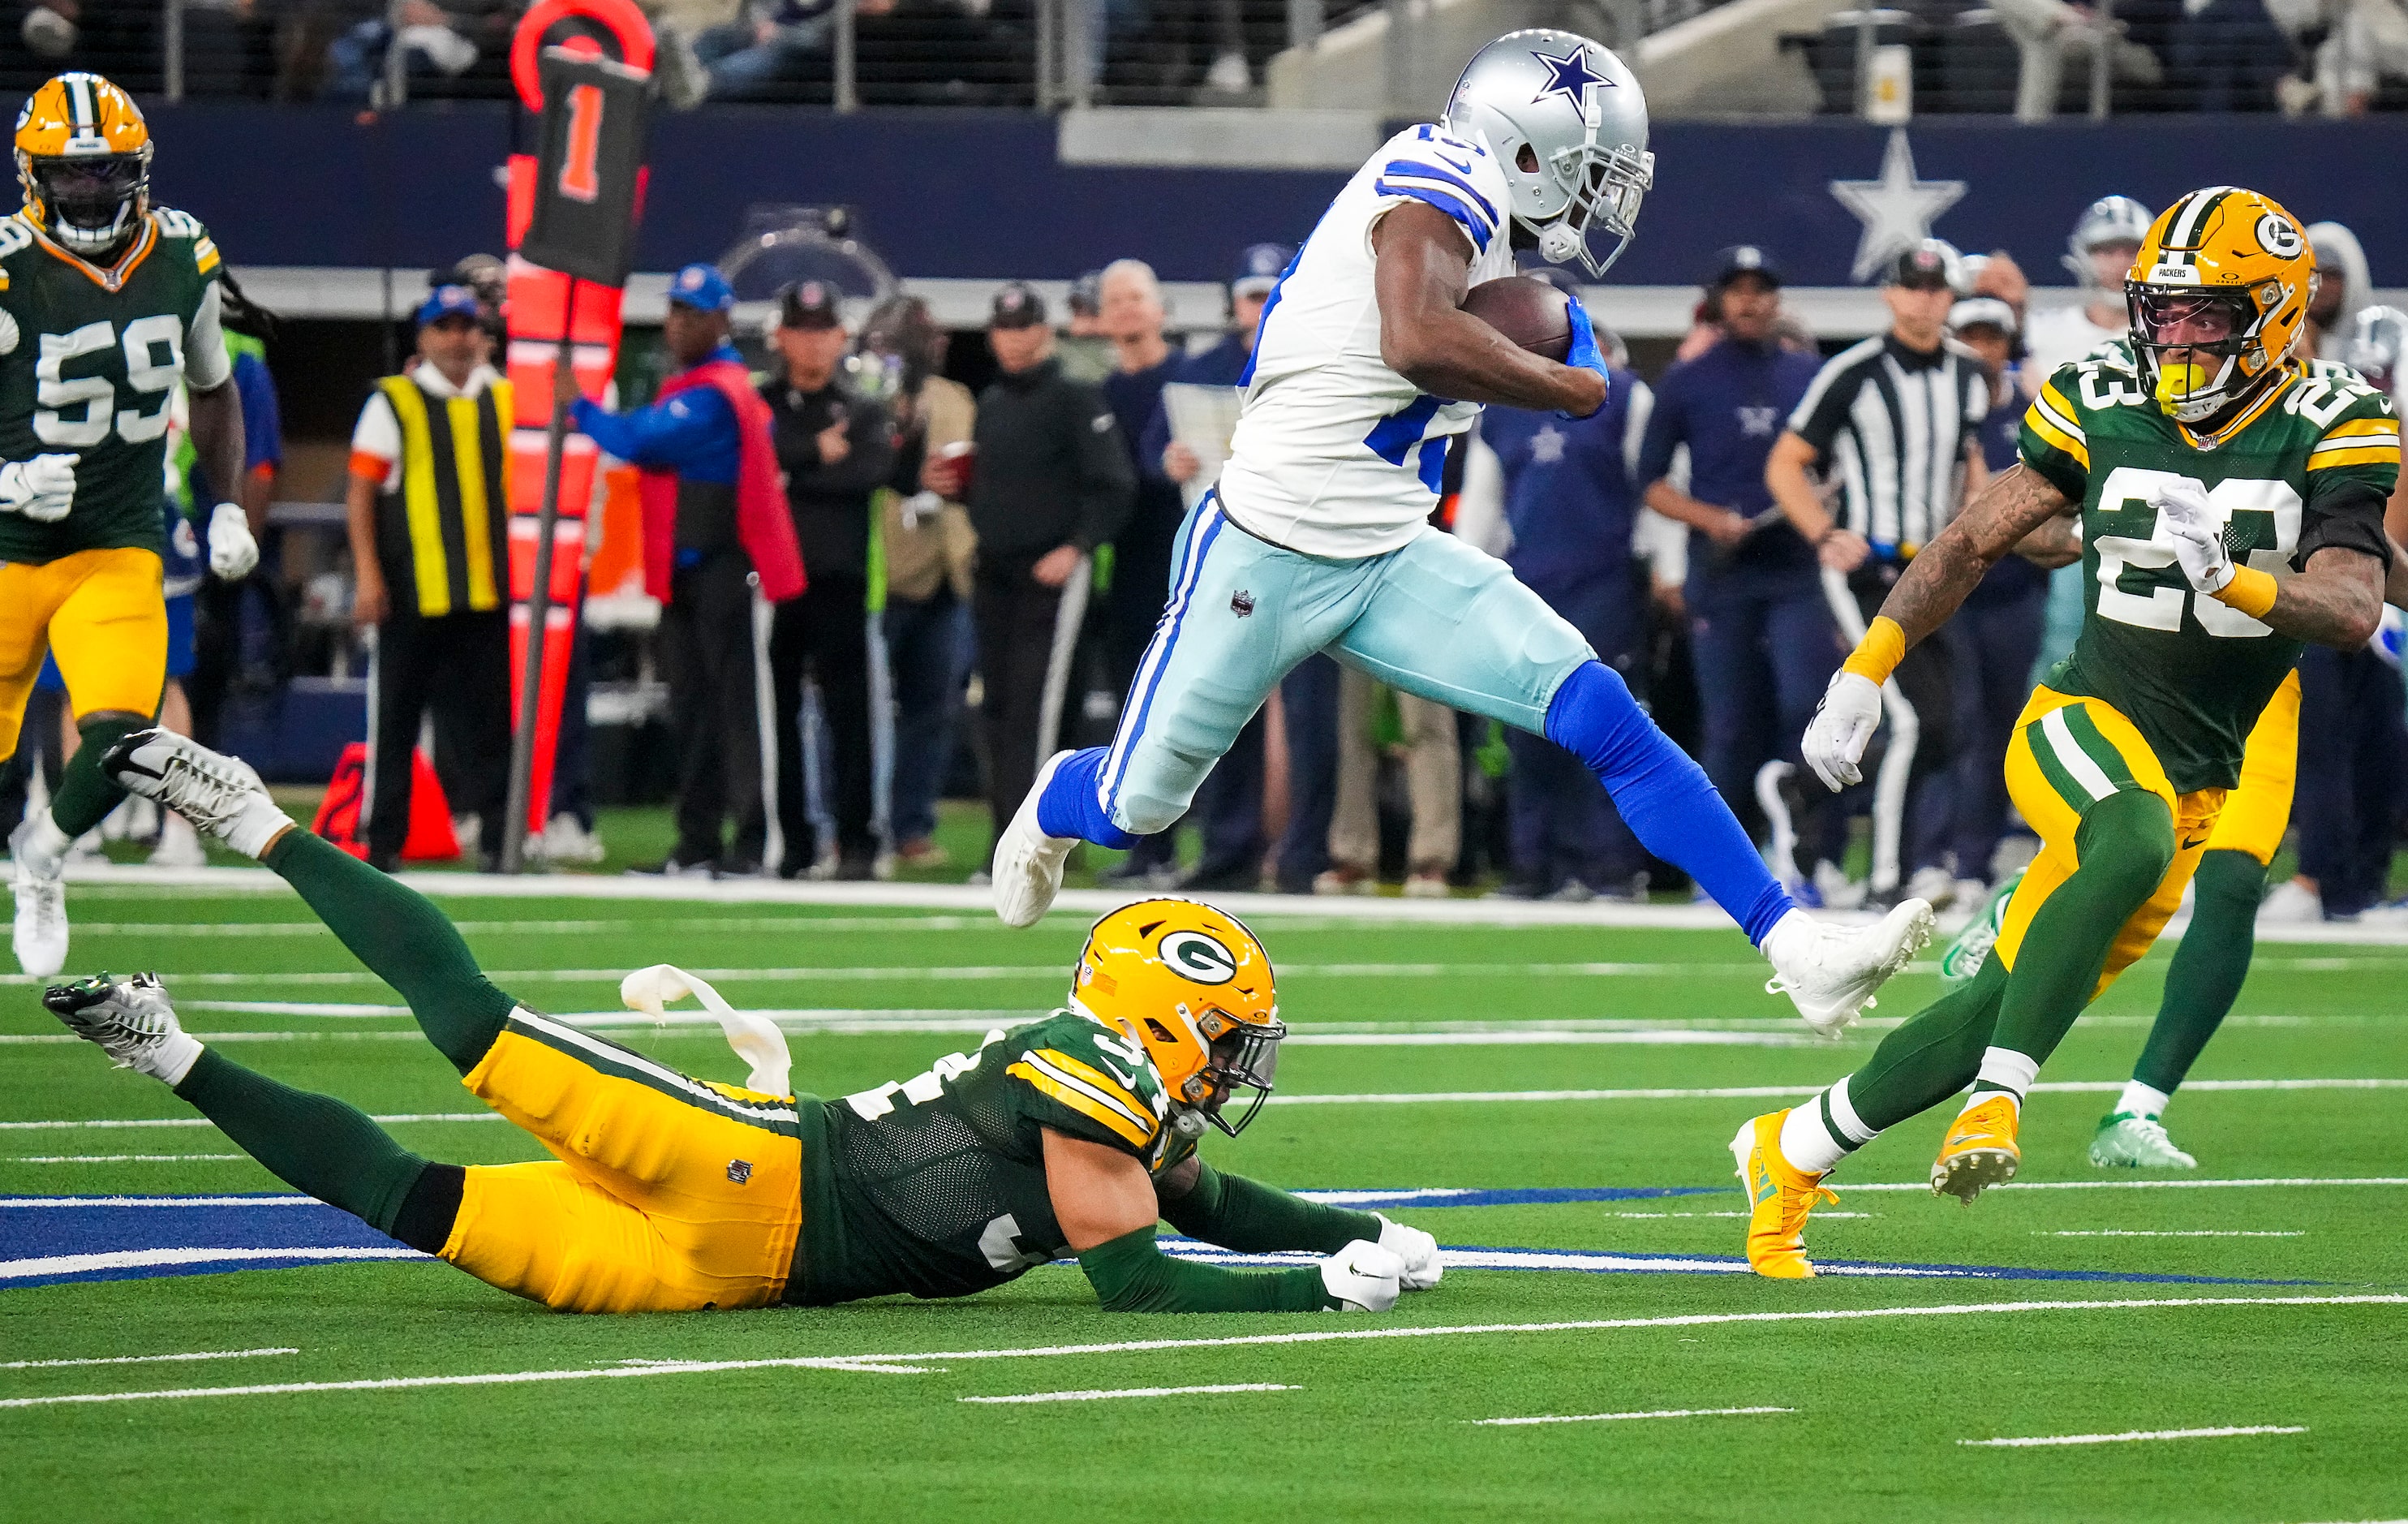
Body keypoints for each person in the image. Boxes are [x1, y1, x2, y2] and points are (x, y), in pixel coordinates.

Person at [995, 30, 1932, 1036]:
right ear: (1524, 146)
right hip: (1261, 550)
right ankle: (1059, 797)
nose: (1599, 196)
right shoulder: (1438, 173)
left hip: (1390, 554)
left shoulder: (1481, 230)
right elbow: (1416, 337)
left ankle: (1795, 947)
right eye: (1590, 169)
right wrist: (1571, 384)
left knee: (1604, 715)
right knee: (1139, 807)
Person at [61, 724, 1441, 1318]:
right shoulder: (1087, 1070)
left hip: (739, 1275)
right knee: (472, 1025)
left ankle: (161, 1046)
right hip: (746, 1165)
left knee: (414, 1200)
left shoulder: (1113, 1088)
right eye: (1227, 1033)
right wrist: (1317, 1289)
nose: (1235, 1064)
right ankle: (250, 812)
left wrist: (1356, 1232)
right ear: (1159, 1014)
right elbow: (1139, 1278)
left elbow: (1207, 1202)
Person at [1738, 187, 2397, 1276]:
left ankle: (1793, 1145)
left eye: (2205, 313)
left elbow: (2352, 603)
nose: (2176, 335)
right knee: (2123, 841)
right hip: (2083, 717)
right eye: (2164, 310)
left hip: (2202, 772)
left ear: (2276, 312)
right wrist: (1865, 670)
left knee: (2007, 991)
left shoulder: (2337, 415)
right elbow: (1976, 537)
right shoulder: (2098, 389)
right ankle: (2001, 1103)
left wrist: (2233, 576)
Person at [4, 73, 258, 975]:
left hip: (116, 534)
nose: (88, 192)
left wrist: (225, 501)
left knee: (119, 737)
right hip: (5, 549)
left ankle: (43, 855)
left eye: (105, 172)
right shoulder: (7, 266)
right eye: (68, 177)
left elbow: (213, 383)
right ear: (32, 176)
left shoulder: (182, 253)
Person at [559, 263, 804, 878]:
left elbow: (641, 440)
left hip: (730, 571)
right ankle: (697, 843)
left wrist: (580, 410)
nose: (677, 323)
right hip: (685, 575)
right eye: (673, 311)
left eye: (692, 313)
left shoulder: (717, 393)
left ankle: (759, 843)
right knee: (694, 714)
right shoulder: (693, 387)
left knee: (742, 716)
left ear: (721, 322)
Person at [1767, 240, 1991, 911]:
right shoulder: (1854, 372)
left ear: (1950, 296)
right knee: (1915, 722)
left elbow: (1967, 469)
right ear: (1890, 295)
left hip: (1933, 567)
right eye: (1912, 287)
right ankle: (1892, 877)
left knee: (1949, 723)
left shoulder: (1969, 376)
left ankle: (1797, 790)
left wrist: (1977, 534)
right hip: (1868, 566)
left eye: (1936, 288)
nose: (1925, 299)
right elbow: (1786, 462)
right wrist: (1825, 534)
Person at [1632, 245, 1839, 902]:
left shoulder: (1811, 373)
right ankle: (1725, 871)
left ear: (1777, 299)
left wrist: (1826, 507)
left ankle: (1809, 859)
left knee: (1809, 711)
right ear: (1719, 299)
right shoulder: (1688, 379)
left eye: (1761, 289)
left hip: (1798, 570)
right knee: (1728, 723)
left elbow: (1845, 462)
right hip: (1721, 573)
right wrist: (1709, 518)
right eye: (1738, 289)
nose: (1750, 301)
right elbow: (1651, 483)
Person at [1477, 299, 1653, 902]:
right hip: (1527, 583)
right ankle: (1535, 863)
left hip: (1604, 576)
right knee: (1530, 728)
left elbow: (1652, 489)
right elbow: (1484, 504)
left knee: (1604, 722)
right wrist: (1471, 573)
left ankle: (1609, 865)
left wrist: (1665, 570)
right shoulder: (1499, 406)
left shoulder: (1625, 394)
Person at [957, 282, 1133, 873]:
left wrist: (1076, 547)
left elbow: (1113, 486)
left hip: (1050, 576)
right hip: (996, 574)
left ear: (1043, 331)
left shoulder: (1076, 398)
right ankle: (1005, 840)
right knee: (998, 707)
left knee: (1041, 709)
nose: (1012, 338)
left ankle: (1031, 848)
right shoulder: (993, 403)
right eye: (1003, 327)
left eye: (1023, 326)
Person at [342, 286, 512, 873]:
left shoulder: (512, 400)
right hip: (413, 590)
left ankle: (499, 838)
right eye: (445, 326)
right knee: (397, 720)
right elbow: (361, 492)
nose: (458, 338)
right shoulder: (394, 402)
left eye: (468, 326)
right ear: (423, 337)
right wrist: (367, 572)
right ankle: (384, 839)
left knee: (492, 723)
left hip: (491, 590)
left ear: (485, 335)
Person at [761, 280, 894, 881]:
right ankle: (788, 841)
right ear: (781, 336)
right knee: (774, 716)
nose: (812, 343)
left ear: (840, 337)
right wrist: (816, 453)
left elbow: (869, 471)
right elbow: (752, 468)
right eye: (801, 330)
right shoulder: (759, 404)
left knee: (851, 717)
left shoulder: (862, 408)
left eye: (823, 331)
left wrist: (790, 467)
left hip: (841, 580)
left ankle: (857, 842)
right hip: (770, 584)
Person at [862, 294, 978, 872]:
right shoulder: (867, 398)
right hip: (884, 570)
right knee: (865, 711)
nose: (933, 347)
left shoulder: (956, 398)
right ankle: (856, 821)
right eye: (920, 338)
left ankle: (912, 825)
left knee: (933, 709)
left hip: (946, 571)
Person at [1943, 295, 2051, 902]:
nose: (1981, 349)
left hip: (2014, 589)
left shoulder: (2034, 415)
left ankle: (1973, 863)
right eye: (1970, 336)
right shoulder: (1939, 405)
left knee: (1998, 730)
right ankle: (1935, 855)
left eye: (1992, 337)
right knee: (1950, 723)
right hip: (1950, 589)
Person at [1093, 260, 1189, 888]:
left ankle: (1178, 845)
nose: (1127, 309)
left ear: (1160, 308)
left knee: (1180, 706)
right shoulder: (1099, 395)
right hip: (1125, 568)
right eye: (1115, 300)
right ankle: (1142, 843)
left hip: (1183, 561)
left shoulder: (1187, 381)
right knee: (1134, 709)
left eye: (1137, 298)